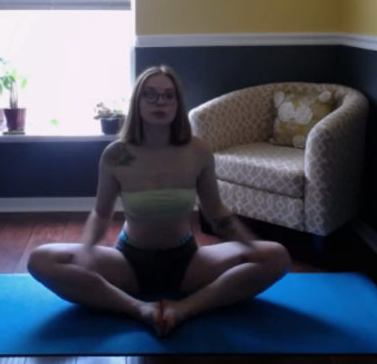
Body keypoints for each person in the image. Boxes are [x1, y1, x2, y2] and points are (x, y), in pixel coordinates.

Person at [27, 65, 291, 336]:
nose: (159, 102)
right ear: (137, 102)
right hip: (128, 263)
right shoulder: (116, 154)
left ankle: (185, 309)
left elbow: (216, 213)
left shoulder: (198, 150)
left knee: (277, 257)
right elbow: (101, 214)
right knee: (41, 260)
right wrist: (86, 250)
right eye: (150, 94)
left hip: (187, 262)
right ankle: (138, 309)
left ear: (177, 103)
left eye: (168, 95)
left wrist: (250, 244)